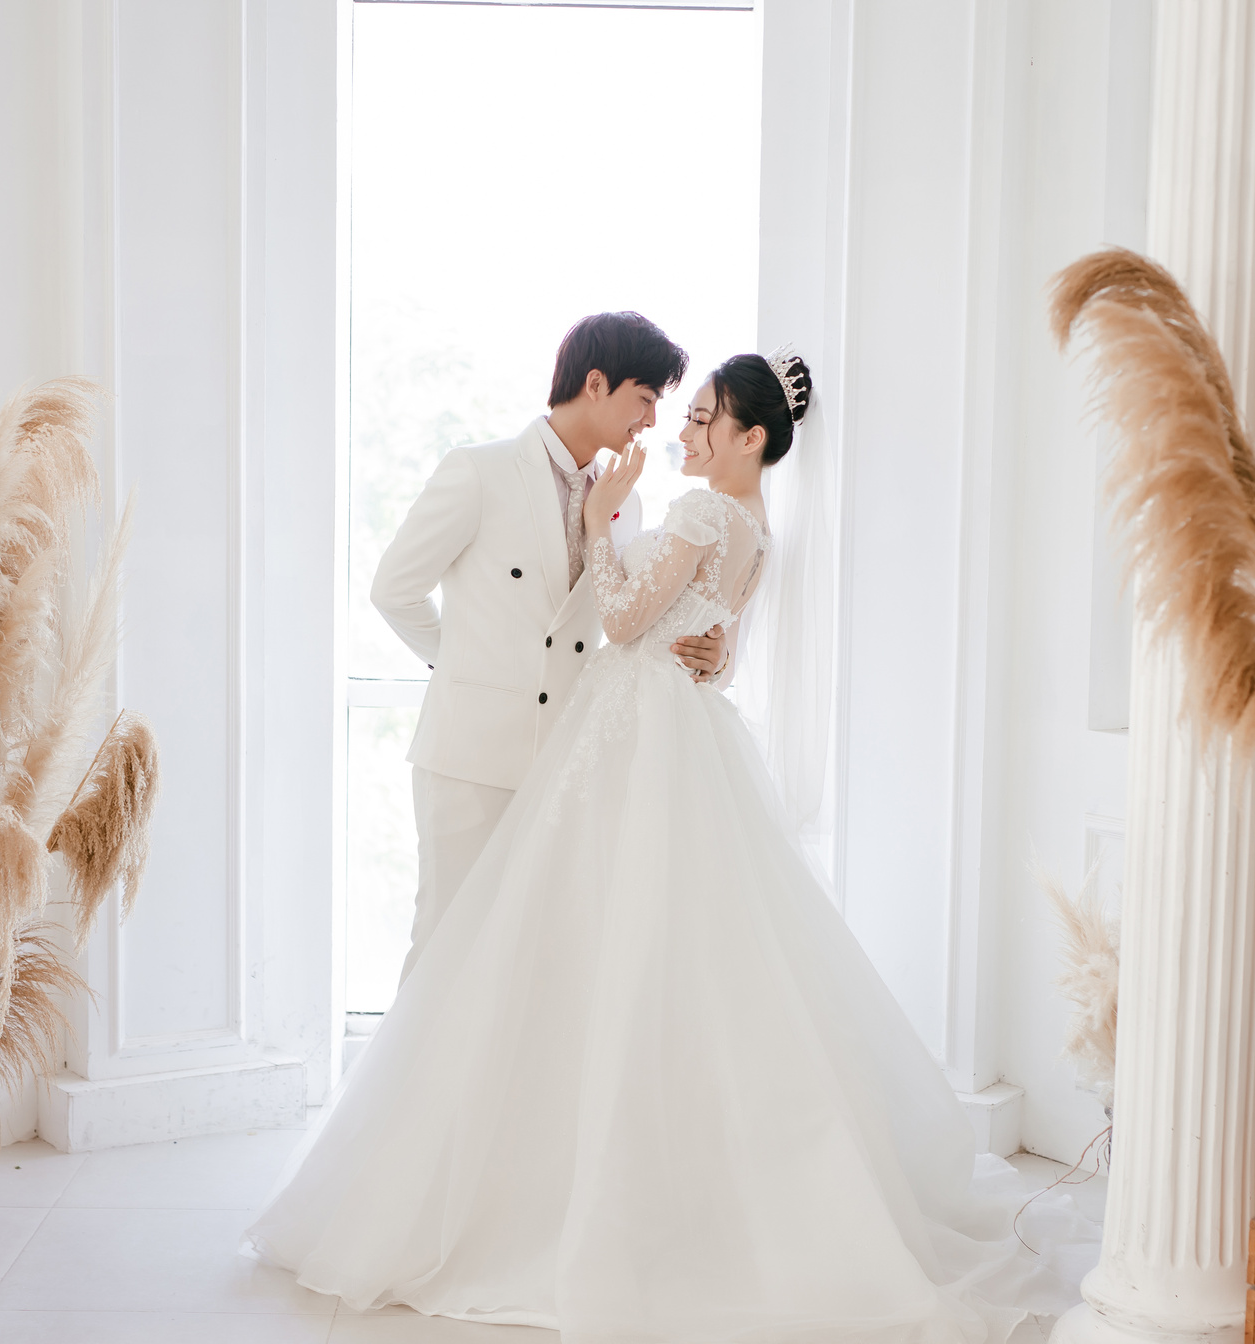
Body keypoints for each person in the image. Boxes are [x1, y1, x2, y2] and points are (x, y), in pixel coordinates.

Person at [245, 349, 1076, 1341]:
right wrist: (698, 636)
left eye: (704, 418)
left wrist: (602, 533)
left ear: (751, 438)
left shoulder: (698, 515)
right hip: (678, 737)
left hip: (633, 737)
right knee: (674, 959)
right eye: (680, 411)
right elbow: (714, 652)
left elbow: (631, 620)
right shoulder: (758, 531)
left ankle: (551, 1185)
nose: (683, 430)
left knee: (587, 948)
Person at [370, 312, 727, 981]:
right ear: (596, 383)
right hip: (470, 756)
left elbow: (636, 620)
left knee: (538, 960)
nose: (651, 421)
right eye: (645, 399)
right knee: (446, 943)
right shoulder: (478, 471)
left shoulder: (625, 504)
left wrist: (715, 654)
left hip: (566, 761)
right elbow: (394, 590)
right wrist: (467, 670)